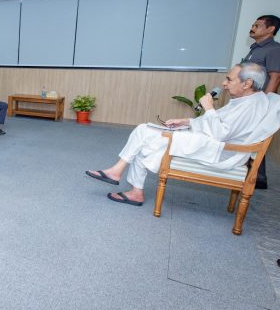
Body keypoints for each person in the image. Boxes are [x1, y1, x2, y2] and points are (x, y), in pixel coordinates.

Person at [86, 63, 274, 206]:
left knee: (147, 137)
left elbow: (219, 133)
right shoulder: (247, 100)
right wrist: (186, 121)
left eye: (229, 79)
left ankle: (123, 179)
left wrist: (209, 107)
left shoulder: (250, 106)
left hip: (221, 151)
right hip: (213, 143)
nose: (224, 84)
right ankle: (121, 176)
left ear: (247, 83)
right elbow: (220, 126)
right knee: (146, 133)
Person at [242, 14, 280, 189]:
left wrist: (264, 103)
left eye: (257, 25)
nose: (253, 27)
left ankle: (259, 177)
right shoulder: (255, 48)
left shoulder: (274, 49)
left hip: (259, 101)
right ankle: (253, 172)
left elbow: (275, 76)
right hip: (248, 100)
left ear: (271, 29)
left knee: (257, 135)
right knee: (249, 133)